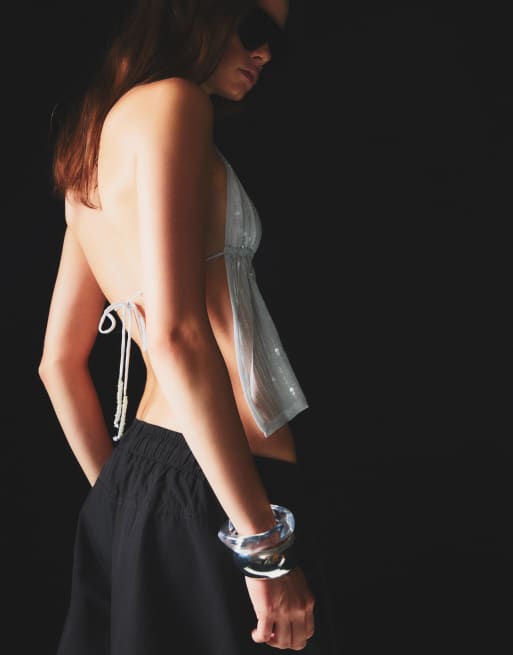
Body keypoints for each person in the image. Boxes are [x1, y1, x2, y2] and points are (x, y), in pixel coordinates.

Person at [39, 0, 336, 652]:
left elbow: (58, 362)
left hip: (153, 480)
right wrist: (262, 549)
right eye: (254, 29)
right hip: (230, 493)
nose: (264, 53)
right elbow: (175, 334)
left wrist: (121, 504)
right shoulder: (176, 103)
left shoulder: (95, 136)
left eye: (276, 43)